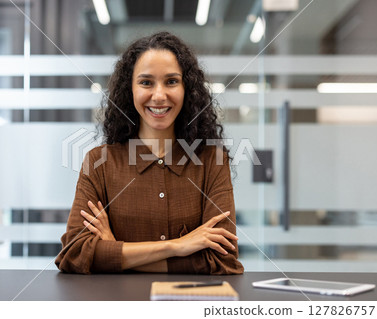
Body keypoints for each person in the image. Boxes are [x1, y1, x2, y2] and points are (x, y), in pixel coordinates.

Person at [55, 31, 244, 275]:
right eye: (146, 82)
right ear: (129, 89)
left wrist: (114, 251)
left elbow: (223, 261)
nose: (159, 95)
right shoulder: (99, 162)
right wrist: (177, 246)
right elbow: (74, 253)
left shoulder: (212, 162)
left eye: (171, 81)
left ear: (187, 88)